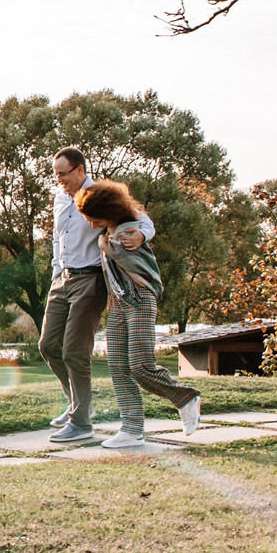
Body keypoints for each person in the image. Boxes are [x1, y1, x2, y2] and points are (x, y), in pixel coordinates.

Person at [40, 145, 152, 445]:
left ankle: (81, 424)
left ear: (80, 169)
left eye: (64, 174)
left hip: (90, 280)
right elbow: (58, 239)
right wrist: (56, 273)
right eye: (56, 175)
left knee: (74, 352)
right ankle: (78, 404)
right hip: (62, 279)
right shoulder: (60, 198)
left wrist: (142, 235)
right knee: (48, 345)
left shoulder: (100, 195)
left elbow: (143, 220)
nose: (60, 180)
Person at [77, 177, 201, 449]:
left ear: (109, 212)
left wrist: (140, 234)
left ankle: (185, 397)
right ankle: (131, 430)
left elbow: (139, 226)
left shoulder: (129, 232)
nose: (91, 223)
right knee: (119, 368)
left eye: (94, 218)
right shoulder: (110, 231)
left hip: (139, 297)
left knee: (141, 365)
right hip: (118, 301)